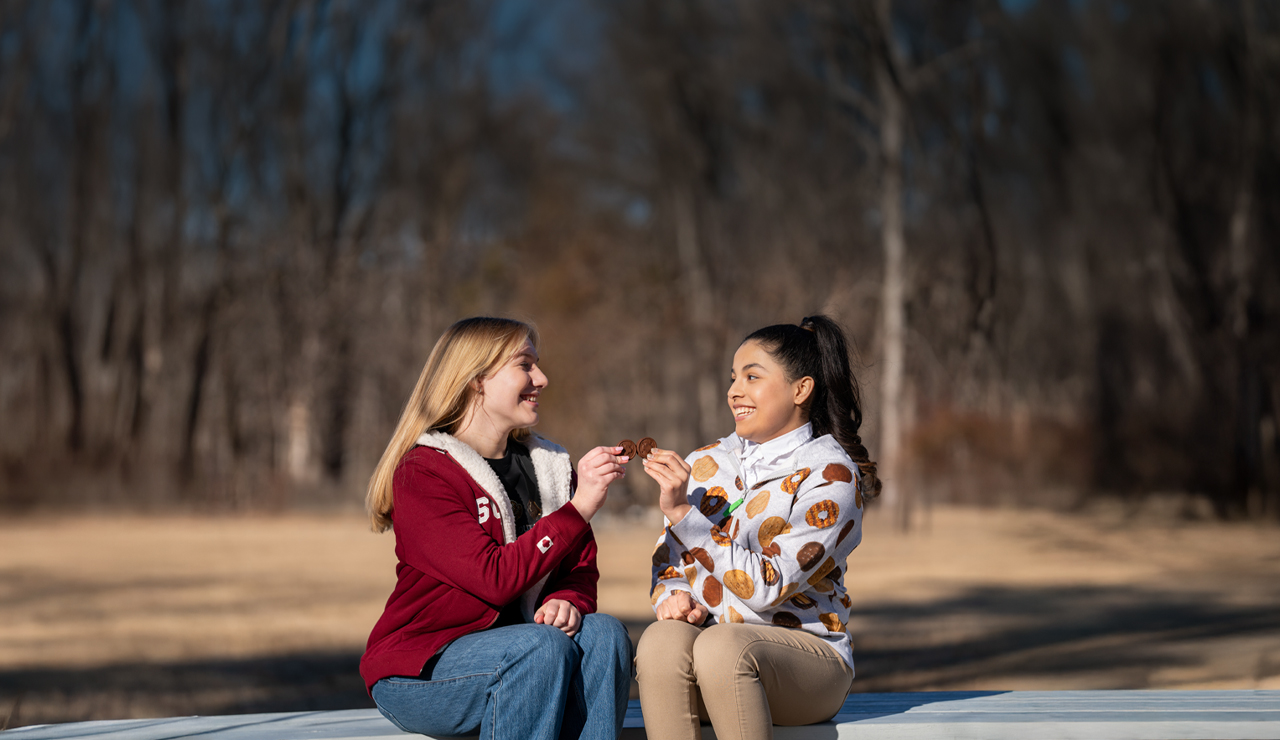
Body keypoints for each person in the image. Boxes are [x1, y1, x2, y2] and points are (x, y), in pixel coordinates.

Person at [360, 316, 633, 740]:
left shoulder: (551, 468)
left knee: (604, 634)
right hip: (422, 670)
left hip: (529, 653)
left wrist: (567, 599)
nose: (541, 378)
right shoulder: (424, 473)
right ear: (475, 380)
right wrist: (577, 510)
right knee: (538, 649)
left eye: (537, 364)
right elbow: (494, 579)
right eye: (525, 365)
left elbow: (580, 567)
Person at [635, 315, 881, 740]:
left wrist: (683, 514)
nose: (734, 391)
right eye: (733, 377)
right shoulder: (704, 461)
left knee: (723, 647)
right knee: (660, 642)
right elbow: (670, 557)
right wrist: (673, 594)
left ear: (801, 389)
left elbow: (766, 586)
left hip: (806, 664)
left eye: (752, 376)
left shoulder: (830, 478)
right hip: (714, 654)